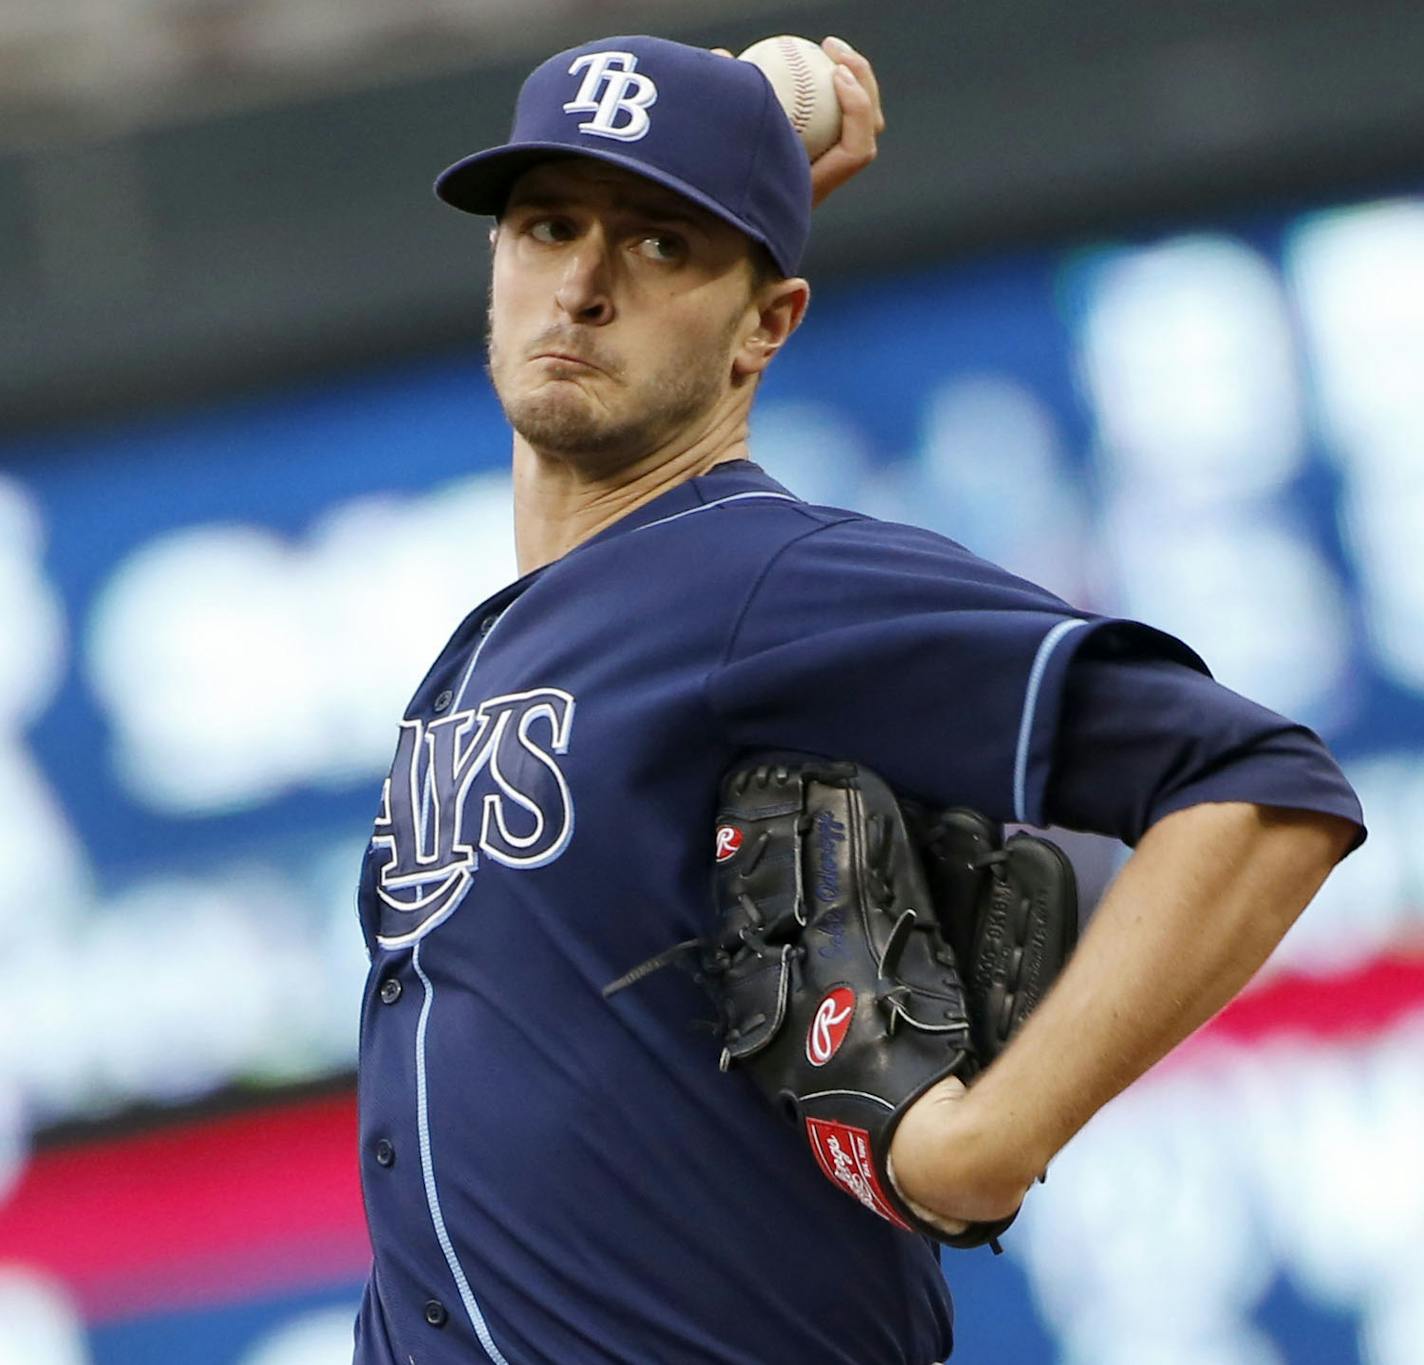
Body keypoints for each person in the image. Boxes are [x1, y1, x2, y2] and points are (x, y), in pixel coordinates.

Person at [351, 34, 1363, 1365]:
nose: (580, 287)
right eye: (546, 227)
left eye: (659, 245)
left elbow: (1261, 788)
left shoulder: (761, 576)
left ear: (770, 324)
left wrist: (989, 1143)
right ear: (497, 262)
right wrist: (727, 172)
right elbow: (596, 388)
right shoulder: (515, 631)